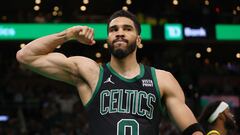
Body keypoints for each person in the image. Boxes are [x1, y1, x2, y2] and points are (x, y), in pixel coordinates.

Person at [16, 10, 205, 135]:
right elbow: (26, 56)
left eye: (127, 29)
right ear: (108, 39)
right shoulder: (91, 73)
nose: (120, 32)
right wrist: (68, 35)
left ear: (139, 40)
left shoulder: (162, 79)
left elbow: (191, 129)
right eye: (114, 29)